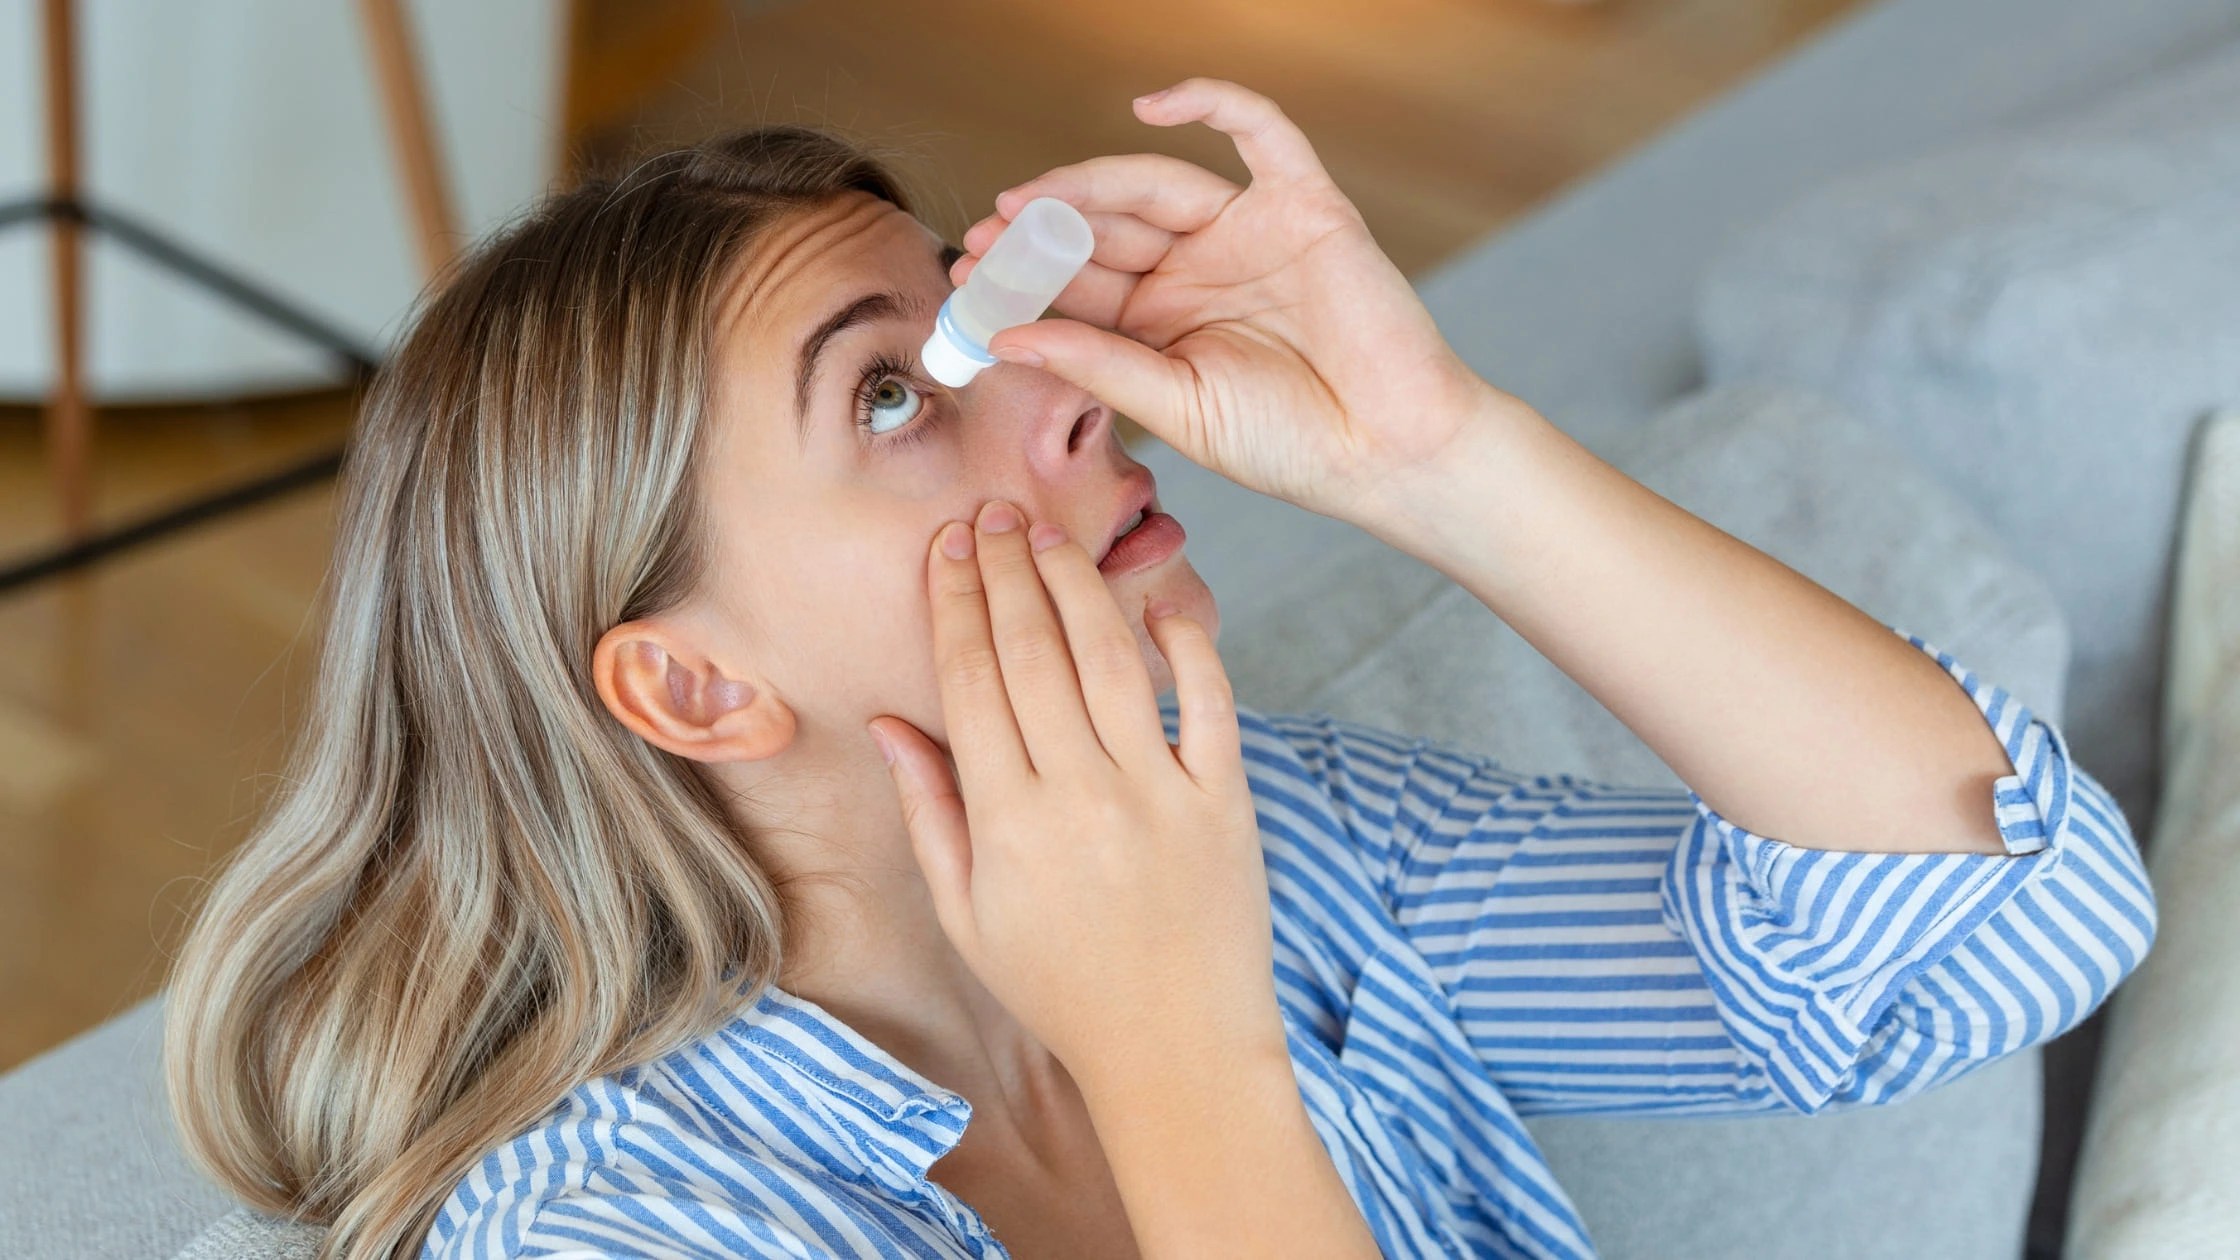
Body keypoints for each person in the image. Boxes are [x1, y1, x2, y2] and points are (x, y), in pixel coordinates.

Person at [162, 77, 2158, 1259]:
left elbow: (1999, 921)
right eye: (884, 398)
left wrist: (1440, 455)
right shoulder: (620, 1229)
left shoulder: (1273, 838)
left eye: (977, 319)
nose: (1048, 393)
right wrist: (1173, 1044)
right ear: (691, 691)